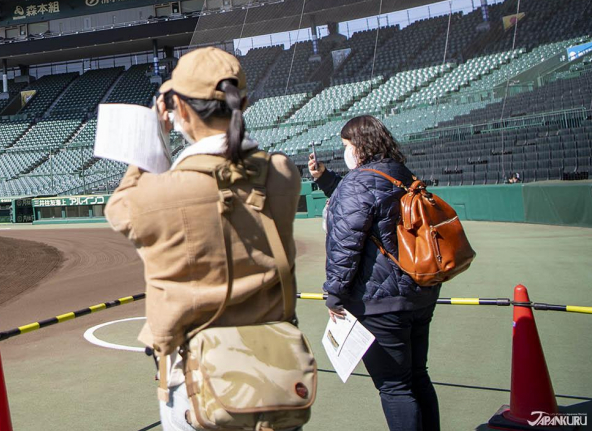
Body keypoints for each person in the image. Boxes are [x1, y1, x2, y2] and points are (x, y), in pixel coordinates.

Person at [105, 48, 303, 431]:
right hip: (275, 373)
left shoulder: (158, 193)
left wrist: (155, 133)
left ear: (177, 109)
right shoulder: (282, 173)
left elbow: (120, 209)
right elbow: (244, 159)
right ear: (243, 103)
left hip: (196, 379)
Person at [312, 115, 441, 431]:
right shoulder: (402, 173)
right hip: (419, 293)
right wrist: (327, 178)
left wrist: (335, 297)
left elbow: (345, 246)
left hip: (380, 303)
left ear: (358, 145)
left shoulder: (357, 183)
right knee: (418, 376)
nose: (344, 151)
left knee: (394, 386)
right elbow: (371, 199)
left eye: (346, 145)